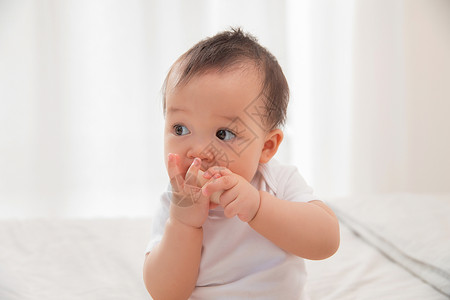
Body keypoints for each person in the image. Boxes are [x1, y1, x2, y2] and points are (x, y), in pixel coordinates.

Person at [143, 28, 340, 300]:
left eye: (223, 134)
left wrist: (258, 207)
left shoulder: (277, 182)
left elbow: (326, 241)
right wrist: (183, 223)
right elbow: (166, 293)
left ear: (266, 146)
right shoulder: (175, 200)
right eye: (180, 129)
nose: (199, 151)